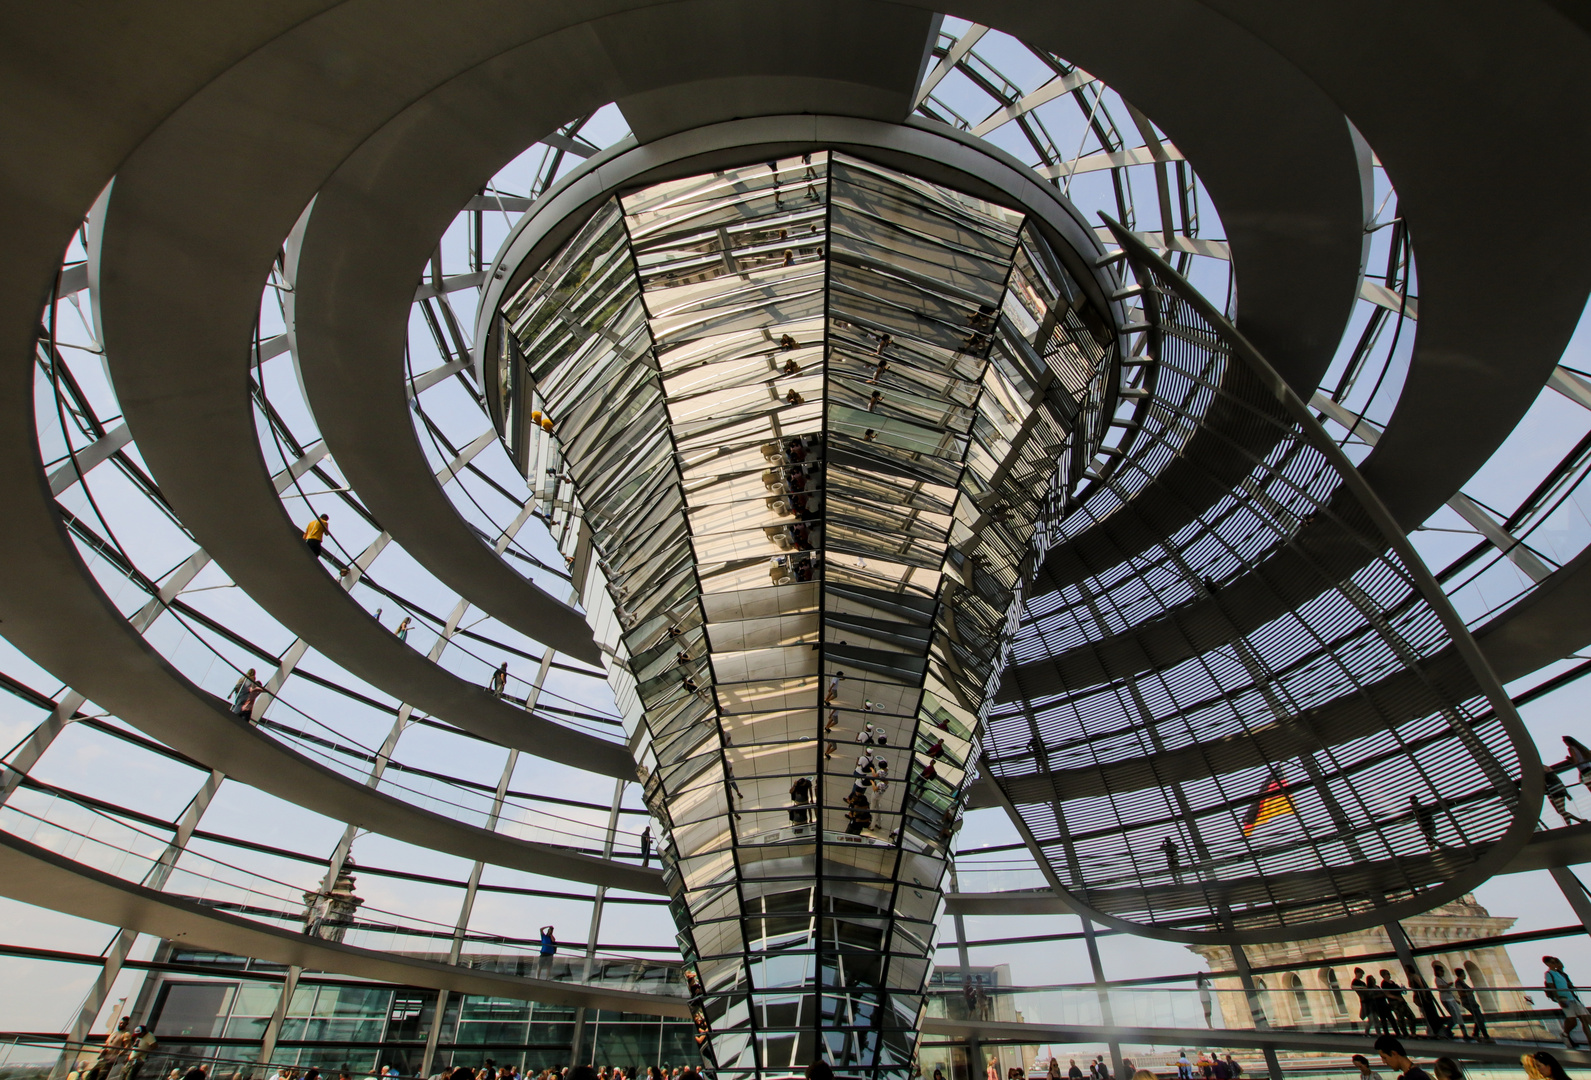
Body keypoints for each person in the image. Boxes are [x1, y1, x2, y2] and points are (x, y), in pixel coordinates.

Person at [1546, 955, 1589, 1047]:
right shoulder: (1549, 974)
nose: (1555, 964)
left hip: (1572, 998)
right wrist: (1559, 1000)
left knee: (1585, 1019)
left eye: (1555, 962)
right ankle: (1565, 1034)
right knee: (1573, 1021)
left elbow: (1567, 984)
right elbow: (1552, 988)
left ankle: (1590, 1041)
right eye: (1552, 962)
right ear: (1548, 964)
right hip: (1565, 999)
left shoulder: (1560, 973)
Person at [1431, 961, 1467, 1040]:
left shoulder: (1442, 978)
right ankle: (1447, 1031)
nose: (1443, 972)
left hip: (1450, 999)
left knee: (1457, 1015)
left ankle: (1462, 1033)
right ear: (1437, 971)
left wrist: (1454, 998)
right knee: (1455, 1016)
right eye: (1441, 971)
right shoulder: (1437, 979)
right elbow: (1440, 989)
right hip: (1446, 999)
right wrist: (1447, 986)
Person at [1453, 967, 1488, 1041]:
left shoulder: (1461, 982)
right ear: (1462, 974)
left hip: (1471, 1002)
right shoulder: (1458, 983)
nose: (1465, 975)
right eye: (1464, 973)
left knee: (1479, 1017)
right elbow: (1461, 993)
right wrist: (1470, 992)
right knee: (1479, 1017)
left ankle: (1476, 1034)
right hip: (1468, 1002)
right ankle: (1484, 1036)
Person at [1353, 968, 1374, 1032]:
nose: (1362, 975)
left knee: (1372, 1018)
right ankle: (1366, 1032)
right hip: (1364, 1001)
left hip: (1367, 1000)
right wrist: (1363, 988)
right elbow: (1353, 987)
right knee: (1371, 1018)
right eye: (1361, 974)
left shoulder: (1362, 982)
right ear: (1357, 973)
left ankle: (1367, 1032)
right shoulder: (1355, 981)